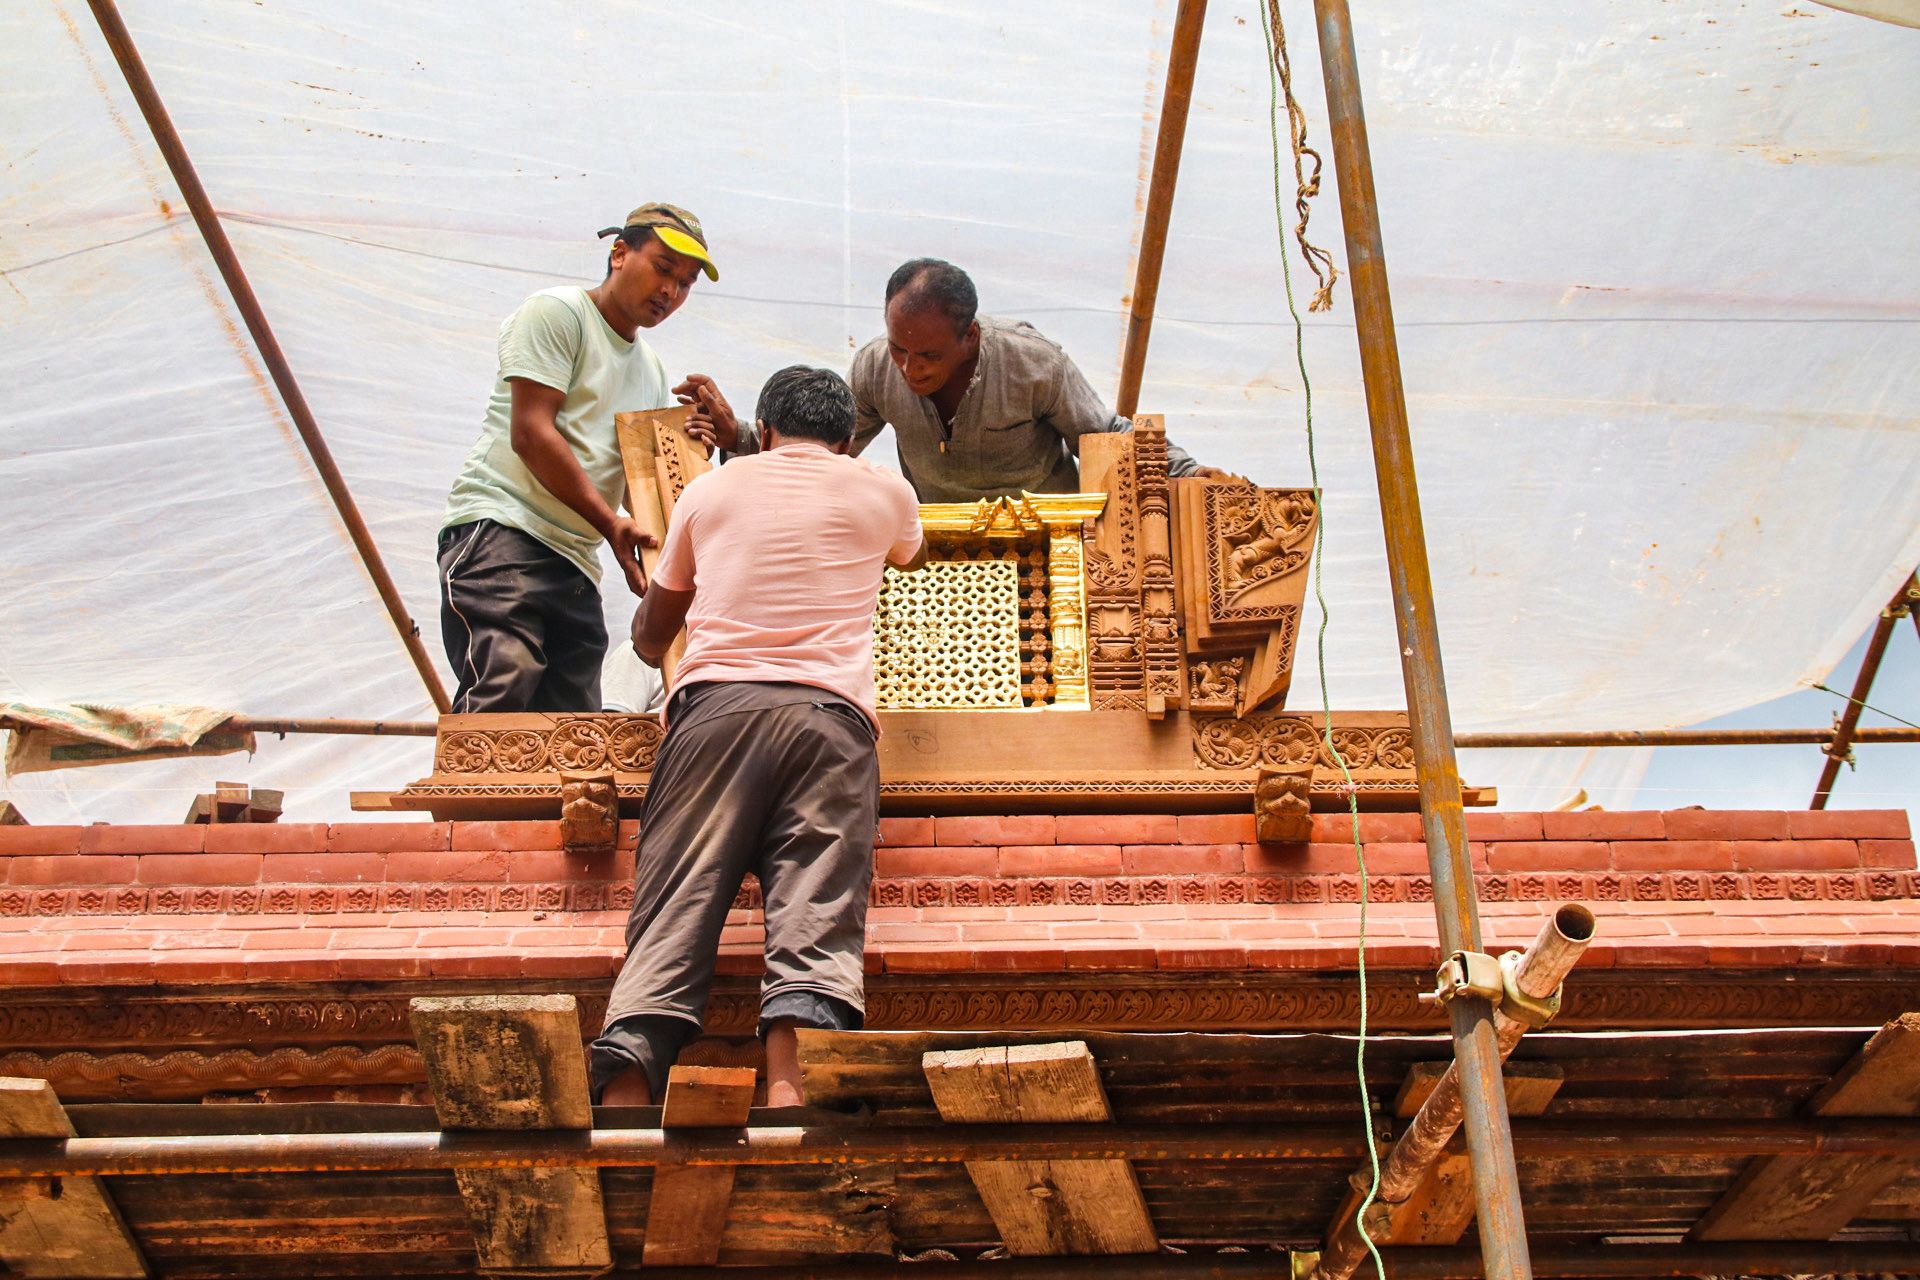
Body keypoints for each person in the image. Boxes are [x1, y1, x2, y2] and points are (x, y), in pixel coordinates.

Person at [590, 365, 926, 1108]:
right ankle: (788, 1104)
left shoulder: (707, 491)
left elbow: (656, 628)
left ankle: (623, 1105)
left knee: (674, 903)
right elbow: (911, 552)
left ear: (764, 432)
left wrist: (652, 629)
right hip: (831, 723)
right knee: (816, 913)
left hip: (716, 714)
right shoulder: (886, 490)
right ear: (845, 437)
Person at [436, 202, 720, 713]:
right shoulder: (558, 313)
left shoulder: (651, 371)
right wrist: (611, 525)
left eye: (685, 283)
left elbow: (644, 496)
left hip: (575, 562)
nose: (669, 292)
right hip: (504, 533)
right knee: (505, 682)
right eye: (662, 268)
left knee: (573, 730)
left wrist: (694, 450)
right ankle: (466, 796)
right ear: (618, 253)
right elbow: (531, 434)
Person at [677, 257, 1224, 499]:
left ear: (971, 337)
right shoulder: (872, 368)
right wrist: (741, 440)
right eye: (898, 349)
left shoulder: (1035, 362)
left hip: (1056, 543)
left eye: (929, 356)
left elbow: (1107, 436)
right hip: (944, 553)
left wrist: (1190, 474)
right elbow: (819, 454)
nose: (910, 368)